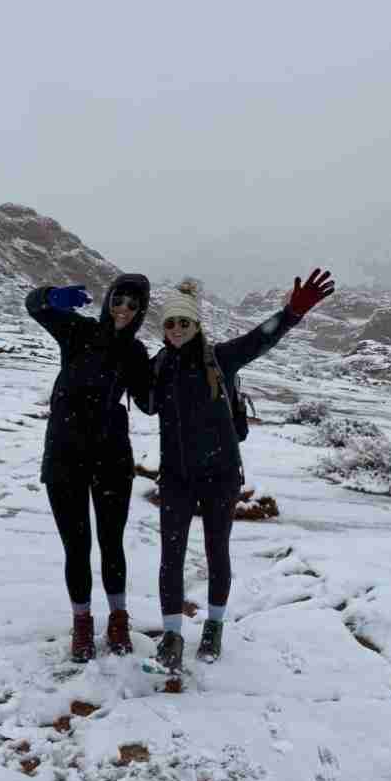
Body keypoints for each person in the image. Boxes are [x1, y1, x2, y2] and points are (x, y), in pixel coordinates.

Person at [138, 268, 335, 672]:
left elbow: (260, 339)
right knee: (170, 557)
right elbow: (146, 404)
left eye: (184, 322)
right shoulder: (158, 368)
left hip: (221, 476)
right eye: (171, 323)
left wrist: (292, 313)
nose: (177, 329)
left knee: (217, 552)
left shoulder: (220, 359)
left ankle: (213, 626)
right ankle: (172, 635)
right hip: (175, 476)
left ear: (196, 325)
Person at [26, 274, 150, 662]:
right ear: (108, 300)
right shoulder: (77, 330)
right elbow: (34, 306)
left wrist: (173, 362)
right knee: (76, 547)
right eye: (119, 299)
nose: (123, 309)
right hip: (65, 457)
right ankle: (82, 622)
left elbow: (148, 402)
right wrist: (51, 295)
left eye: (133, 304)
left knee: (111, 543)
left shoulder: (136, 352)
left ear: (140, 311)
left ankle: (117, 618)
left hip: (112, 459)